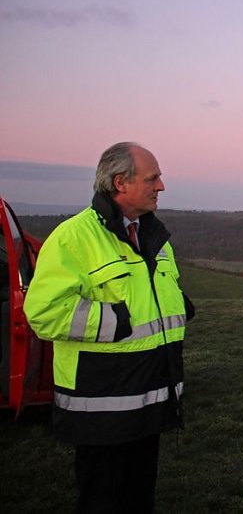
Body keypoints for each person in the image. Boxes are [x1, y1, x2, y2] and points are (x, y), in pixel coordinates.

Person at [23, 142, 194, 513]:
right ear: (120, 183)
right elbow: (43, 311)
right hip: (102, 406)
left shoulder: (153, 237)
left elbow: (153, 297)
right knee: (102, 501)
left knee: (138, 500)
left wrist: (179, 307)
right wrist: (115, 321)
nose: (161, 186)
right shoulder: (73, 238)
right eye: (152, 178)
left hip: (149, 399)